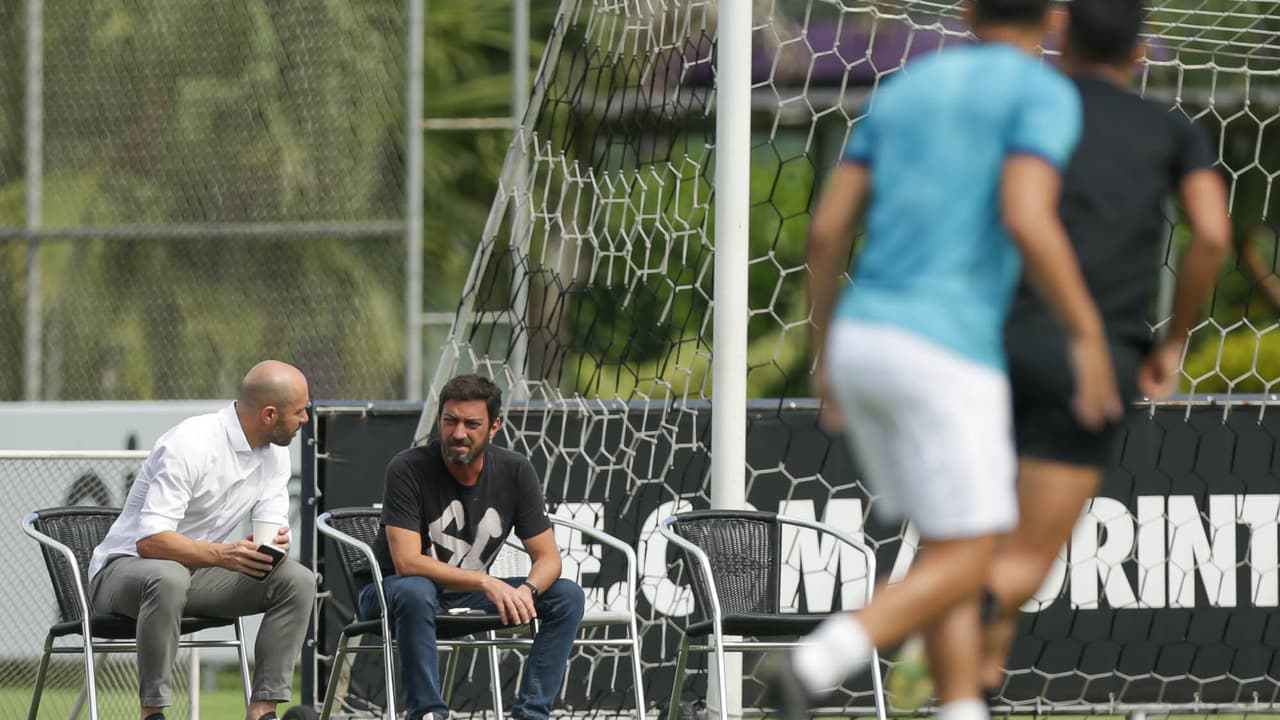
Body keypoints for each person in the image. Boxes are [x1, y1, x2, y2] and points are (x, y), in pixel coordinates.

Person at [777, 1, 1126, 719]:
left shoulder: (905, 86)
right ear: (1055, 20)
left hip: (862, 342)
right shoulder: (1042, 93)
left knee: (947, 552)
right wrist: (1087, 334)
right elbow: (1028, 216)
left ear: (966, 12)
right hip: (947, 353)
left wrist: (822, 359)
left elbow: (826, 230)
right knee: (972, 558)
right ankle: (818, 660)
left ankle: (959, 706)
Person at [943, 0, 1231, 703]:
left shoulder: (1024, 113)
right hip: (1093, 361)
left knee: (980, 538)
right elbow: (1214, 235)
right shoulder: (1168, 129)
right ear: (1141, 53)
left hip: (990, 345)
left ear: (1059, 36)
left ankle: (970, 681)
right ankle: (939, 615)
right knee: (1024, 559)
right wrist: (1174, 341)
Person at [88, 360, 317, 720]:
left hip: (195, 573)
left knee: (298, 580)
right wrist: (223, 555)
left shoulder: (276, 454)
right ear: (270, 414)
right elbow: (150, 542)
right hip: (122, 572)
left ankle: (263, 712)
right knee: (169, 576)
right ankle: (153, 713)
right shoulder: (191, 442)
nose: (306, 418)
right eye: (301, 411)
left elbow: (268, 533)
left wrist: (269, 547)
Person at [361, 373, 585, 720]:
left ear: (494, 426)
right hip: (390, 592)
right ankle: (429, 714)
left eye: (471, 423)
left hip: (461, 593)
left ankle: (531, 714)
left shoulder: (515, 470)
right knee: (417, 590)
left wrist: (528, 589)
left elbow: (548, 558)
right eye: (450, 421)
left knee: (566, 595)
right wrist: (486, 581)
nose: (458, 433)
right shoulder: (407, 468)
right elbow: (407, 562)